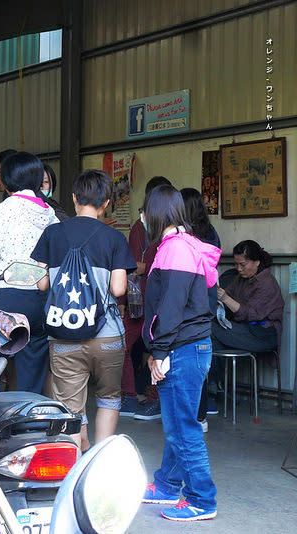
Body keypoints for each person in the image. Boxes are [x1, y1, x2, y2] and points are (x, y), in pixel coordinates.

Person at [32, 169, 136, 451]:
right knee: (109, 397)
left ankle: (75, 463)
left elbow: (42, 284)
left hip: (64, 335)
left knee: (70, 407)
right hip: (108, 336)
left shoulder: (52, 234)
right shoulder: (115, 239)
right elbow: (118, 290)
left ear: (74, 198)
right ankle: (99, 461)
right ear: (106, 204)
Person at [140, 184, 220, 522]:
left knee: (182, 428)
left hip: (181, 348)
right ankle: (168, 484)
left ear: (155, 214)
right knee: (178, 423)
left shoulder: (174, 250)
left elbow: (171, 308)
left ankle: (203, 498)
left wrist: (160, 351)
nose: (143, 218)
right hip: (189, 345)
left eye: (145, 211)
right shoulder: (186, 245)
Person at [0, 151, 58, 394]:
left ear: (9, 179)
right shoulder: (51, 216)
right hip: (39, 302)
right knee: (31, 375)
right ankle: (25, 426)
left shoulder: (0, 211)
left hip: (4, 301)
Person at [121, 176, 172, 421]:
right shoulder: (143, 228)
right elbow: (135, 266)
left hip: (145, 298)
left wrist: (143, 266)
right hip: (143, 299)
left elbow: (134, 266)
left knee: (141, 347)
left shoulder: (155, 230)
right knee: (152, 347)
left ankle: (139, 397)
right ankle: (139, 397)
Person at [181, 187, 222, 430]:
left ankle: (191, 415)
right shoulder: (211, 232)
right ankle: (201, 415)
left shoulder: (185, 236)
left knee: (185, 360)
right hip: (207, 297)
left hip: (190, 299)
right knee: (200, 360)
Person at [214, 240, 284, 354]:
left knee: (210, 330)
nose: (239, 269)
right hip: (245, 329)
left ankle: (218, 372)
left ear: (257, 262)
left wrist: (226, 299)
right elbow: (228, 294)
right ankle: (223, 372)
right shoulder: (241, 278)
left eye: (243, 264)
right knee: (210, 331)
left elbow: (250, 315)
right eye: (236, 264)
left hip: (263, 334)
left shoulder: (267, 283)